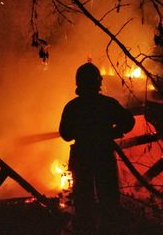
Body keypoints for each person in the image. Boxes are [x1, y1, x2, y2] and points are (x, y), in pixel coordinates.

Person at [59, 62, 135, 235]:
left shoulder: (72, 107)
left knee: (83, 201)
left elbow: (65, 134)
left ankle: (86, 230)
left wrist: (82, 130)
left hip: (82, 157)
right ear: (98, 82)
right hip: (103, 155)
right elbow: (129, 121)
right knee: (109, 198)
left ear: (79, 83)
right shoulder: (107, 104)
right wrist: (114, 131)